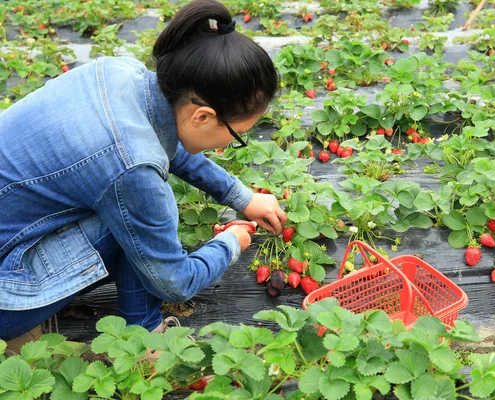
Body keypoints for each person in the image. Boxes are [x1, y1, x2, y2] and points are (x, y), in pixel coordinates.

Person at [0, 0, 287, 353]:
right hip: (4, 294)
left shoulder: (121, 72)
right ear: (202, 117)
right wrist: (229, 244)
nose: (231, 142)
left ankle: (142, 329)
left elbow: (160, 139)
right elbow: (175, 283)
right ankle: (138, 338)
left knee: (131, 206)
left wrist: (241, 196)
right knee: (138, 217)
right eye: (237, 133)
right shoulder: (133, 169)